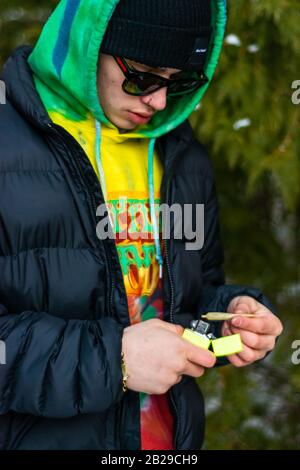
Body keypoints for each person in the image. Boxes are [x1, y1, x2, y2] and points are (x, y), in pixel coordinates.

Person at [0, 0, 282, 451]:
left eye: (180, 82)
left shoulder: (181, 156)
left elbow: (187, 301)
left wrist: (228, 320)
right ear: (89, 45)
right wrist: (115, 359)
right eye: (143, 76)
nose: (159, 101)